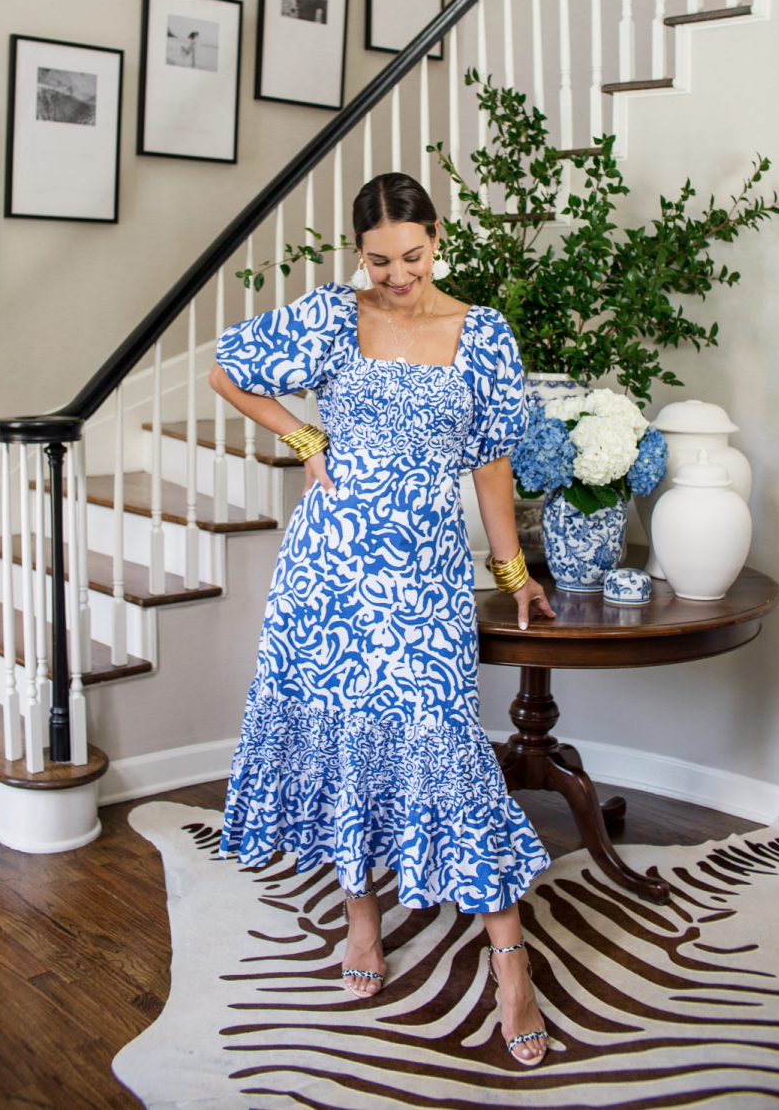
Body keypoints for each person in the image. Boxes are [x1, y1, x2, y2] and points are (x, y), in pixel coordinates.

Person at [209, 171, 555, 1067]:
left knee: (443, 741)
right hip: (328, 568)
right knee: (341, 739)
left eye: (411, 255)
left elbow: (491, 467)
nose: (396, 275)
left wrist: (511, 570)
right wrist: (304, 437)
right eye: (377, 260)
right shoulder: (334, 314)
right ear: (355, 252)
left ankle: (508, 962)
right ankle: (361, 920)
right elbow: (227, 369)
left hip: (423, 573)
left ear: (437, 237)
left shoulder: (482, 334)